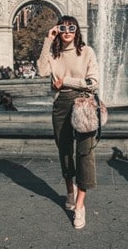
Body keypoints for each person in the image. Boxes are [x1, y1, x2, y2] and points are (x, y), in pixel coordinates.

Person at [37, 15, 99, 229]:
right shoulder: (54, 53)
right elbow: (41, 71)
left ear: (77, 30)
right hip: (61, 104)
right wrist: (47, 39)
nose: (67, 31)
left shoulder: (87, 51)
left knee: (85, 153)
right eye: (62, 27)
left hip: (83, 102)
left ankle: (80, 205)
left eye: (71, 27)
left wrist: (67, 81)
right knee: (64, 152)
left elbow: (93, 83)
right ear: (58, 29)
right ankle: (70, 192)